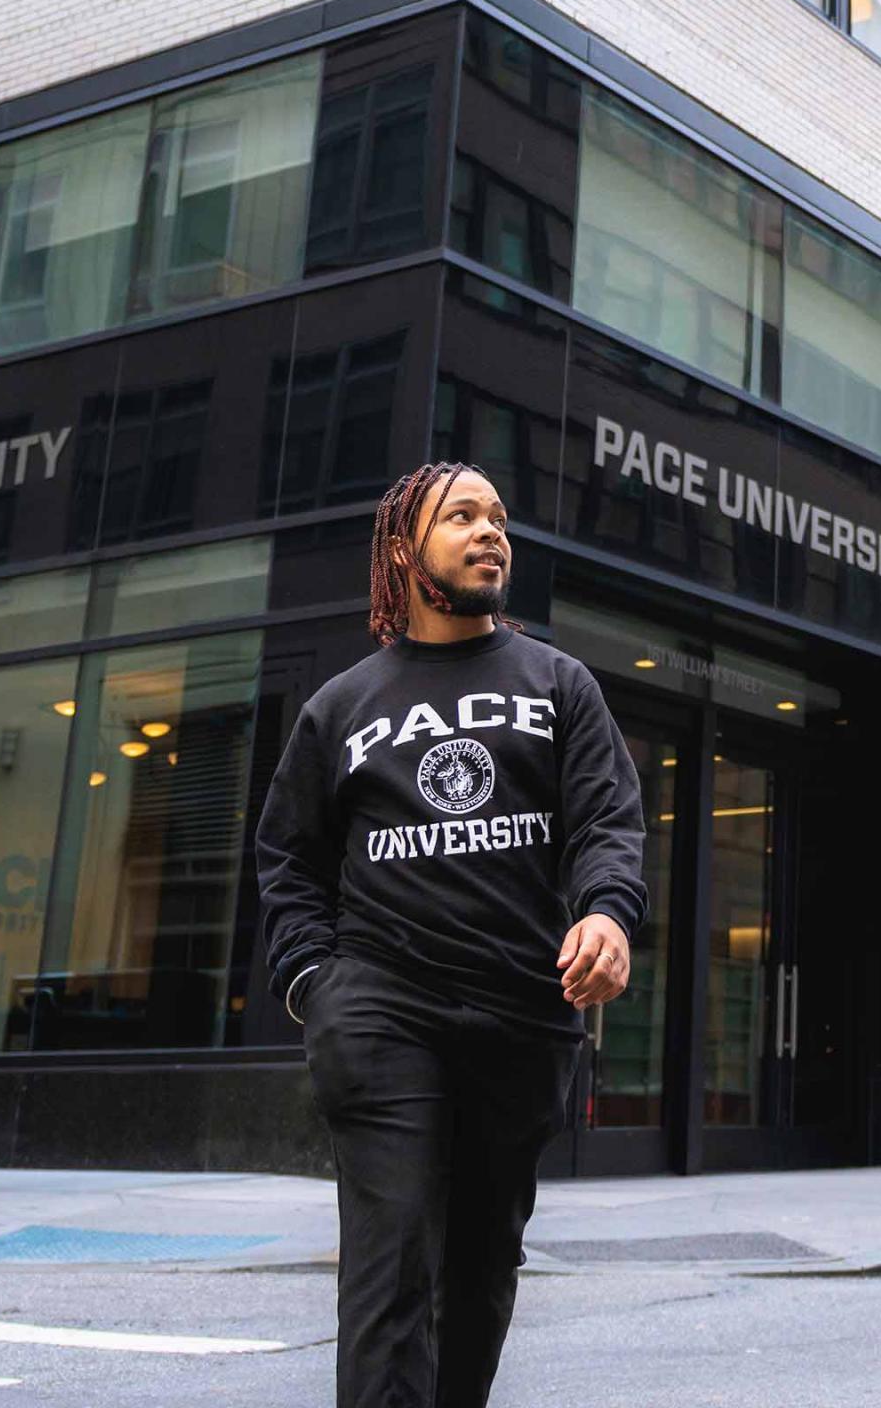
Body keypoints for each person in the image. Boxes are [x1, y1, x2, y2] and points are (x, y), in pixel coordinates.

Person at [257, 461, 647, 1408]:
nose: (490, 534)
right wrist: (319, 987)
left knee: (480, 1273)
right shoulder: (341, 706)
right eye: (462, 516)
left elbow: (606, 822)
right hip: (384, 1012)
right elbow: (288, 860)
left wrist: (605, 912)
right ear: (405, 549)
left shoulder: (559, 684)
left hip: (521, 1017)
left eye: (499, 519)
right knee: (391, 1266)